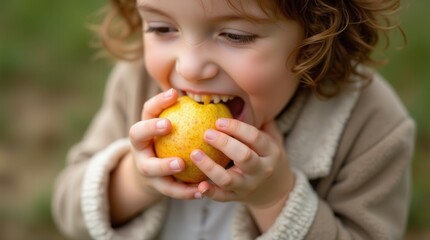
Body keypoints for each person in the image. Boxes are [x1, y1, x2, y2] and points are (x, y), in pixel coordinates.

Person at [52, 0, 416, 239]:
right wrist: (136, 179)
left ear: (317, 34)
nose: (190, 69)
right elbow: (68, 211)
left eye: (235, 35)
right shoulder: (136, 83)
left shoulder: (369, 124)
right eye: (162, 28)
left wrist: (274, 200)